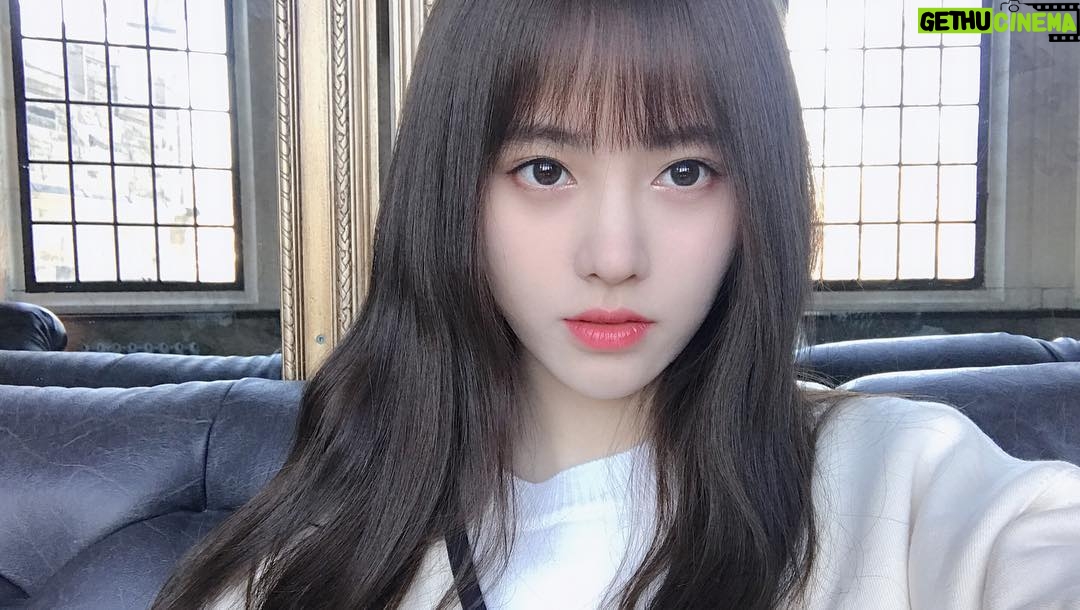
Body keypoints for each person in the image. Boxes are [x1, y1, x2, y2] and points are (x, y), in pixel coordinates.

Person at [151, 1, 1080, 608]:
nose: (614, 258)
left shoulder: (900, 479)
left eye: (686, 171)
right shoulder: (316, 556)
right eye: (543, 169)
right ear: (452, 191)